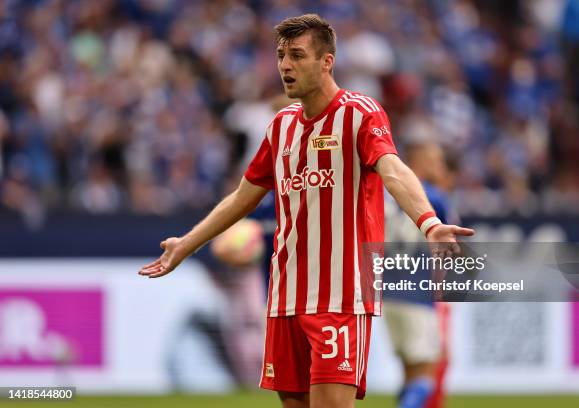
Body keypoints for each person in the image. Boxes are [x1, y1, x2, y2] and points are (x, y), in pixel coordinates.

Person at [138, 14, 474, 408]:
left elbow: (394, 168)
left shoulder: (359, 114)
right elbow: (242, 197)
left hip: (339, 298)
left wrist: (429, 222)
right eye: (281, 55)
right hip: (284, 299)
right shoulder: (280, 126)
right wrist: (187, 243)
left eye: (297, 55)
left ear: (326, 61)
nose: (285, 65)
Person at [383, 142, 458, 408]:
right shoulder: (434, 197)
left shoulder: (385, 194)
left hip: (386, 294)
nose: (439, 167)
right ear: (420, 161)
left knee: (409, 373)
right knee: (427, 372)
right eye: (435, 160)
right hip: (417, 294)